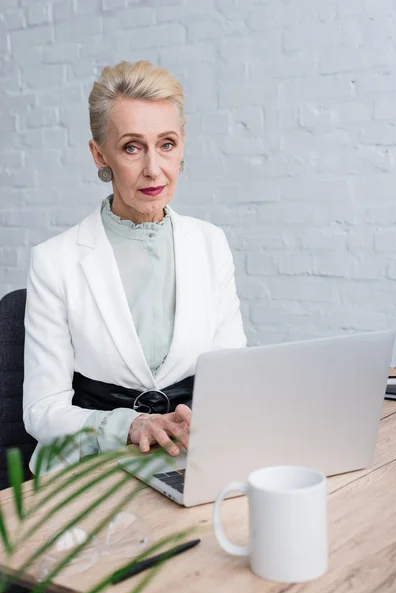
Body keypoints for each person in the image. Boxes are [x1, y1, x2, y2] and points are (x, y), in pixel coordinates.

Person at [23, 59, 247, 477]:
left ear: (182, 145)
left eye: (166, 144)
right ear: (98, 153)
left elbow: (233, 372)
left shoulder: (211, 243)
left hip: (188, 455)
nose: (153, 169)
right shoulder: (54, 261)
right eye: (131, 146)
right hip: (90, 468)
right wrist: (129, 424)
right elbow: (41, 410)